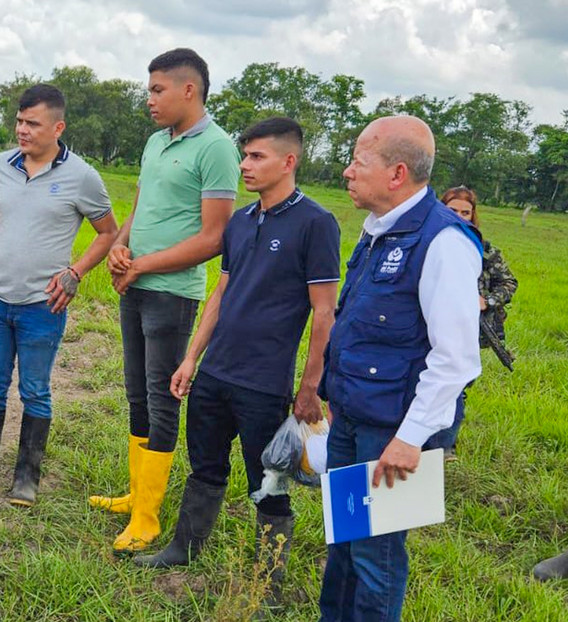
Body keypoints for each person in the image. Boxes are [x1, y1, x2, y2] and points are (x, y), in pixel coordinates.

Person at [134, 118, 340, 609]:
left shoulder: (316, 223)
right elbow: (221, 295)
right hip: (216, 374)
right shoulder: (242, 222)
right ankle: (184, 547)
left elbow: (323, 311)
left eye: (257, 157)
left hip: (265, 384)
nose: (245, 165)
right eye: (244, 156)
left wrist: (310, 386)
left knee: (267, 480)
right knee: (204, 466)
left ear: (288, 162)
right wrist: (190, 359)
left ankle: (268, 580)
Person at [317, 116, 482, 622]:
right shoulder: (379, 230)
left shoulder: (444, 242)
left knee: (376, 559)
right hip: (352, 418)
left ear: (397, 173)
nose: (346, 171)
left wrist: (410, 438)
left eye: (359, 161)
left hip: (390, 433)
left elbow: (454, 359)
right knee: (344, 538)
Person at [92, 47, 240, 554]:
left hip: (172, 294)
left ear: (188, 90)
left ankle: (149, 519)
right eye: (148, 89)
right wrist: (120, 247)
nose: (149, 99)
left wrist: (145, 265)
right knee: (136, 393)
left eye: (157, 90)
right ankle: (137, 495)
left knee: (161, 399)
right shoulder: (156, 142)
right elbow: (142, 206)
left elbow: (214, 237)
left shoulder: (216, 147)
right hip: (136, 285)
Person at [0, 84, 118, 507]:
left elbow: (108, 232)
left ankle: (26, 477)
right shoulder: (2, 165)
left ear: (57, 127)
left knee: (35, 390)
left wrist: (75, 272)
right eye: (19, 121)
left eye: (32, 123)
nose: (22, 130)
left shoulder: (82, 177)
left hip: (43, 305)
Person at [426, 186, 517, 459]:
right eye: (452, 211)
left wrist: (486, 301)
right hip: (427, 327)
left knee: (456, 386)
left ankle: (443, 446)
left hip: (468, 330)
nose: (460, 217)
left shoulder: (484, 249)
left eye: (466, 212)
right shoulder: (427, 242)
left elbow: (509, 282)